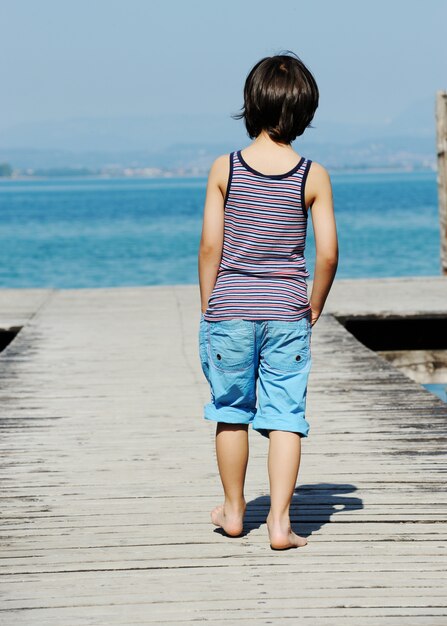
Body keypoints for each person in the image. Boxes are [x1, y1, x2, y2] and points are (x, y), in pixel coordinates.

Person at [197, 51, 338, 550]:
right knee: (285, 416)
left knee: (230, 410)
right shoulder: (311, 175)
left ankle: (234, 512)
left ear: (251, 104)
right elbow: (327, 255)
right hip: (287, 313)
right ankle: (280, 524)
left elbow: (211, 245)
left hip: (229, 308)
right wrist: (314, 304)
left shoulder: (226, 168)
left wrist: (210, 304)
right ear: (305, 112)